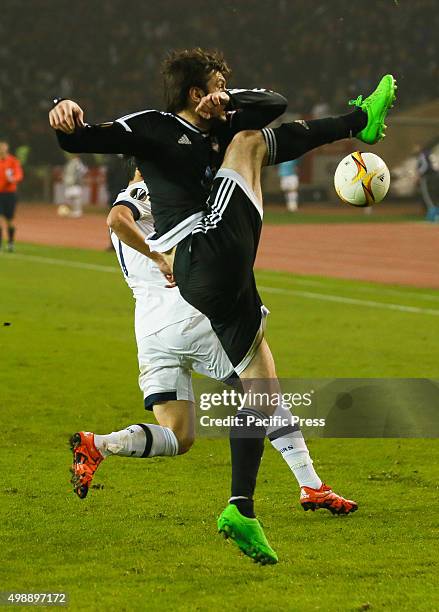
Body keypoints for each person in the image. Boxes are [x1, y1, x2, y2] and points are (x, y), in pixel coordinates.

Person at [49, 47, 396, 564]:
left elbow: (276, 107)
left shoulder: (218, 131)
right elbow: (84, 139)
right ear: (194, 90)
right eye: (216, 80)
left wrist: (226, 100)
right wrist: (65, 115)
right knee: (252, 142)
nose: (226, 85)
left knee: (261, 386)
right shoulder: (155, 128)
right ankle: (362, 121)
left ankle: (242, 507)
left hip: (209, 283)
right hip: (199, 249)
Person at [72, 160, 357, 525]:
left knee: (178, 436)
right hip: (189, 315)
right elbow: (116, 218)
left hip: (151, 331)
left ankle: (99, 445)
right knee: (263, 392)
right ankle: (311, 484)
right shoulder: (146, 190)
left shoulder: (152, 197)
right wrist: (161, 256)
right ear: (144, 166)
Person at [0, 139, 23, 252]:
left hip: (9, 194)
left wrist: (13, 179)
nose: (2, 148)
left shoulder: (13, 161)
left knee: (9, 220)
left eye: (3, 146)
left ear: (7, 147)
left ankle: (10, 242)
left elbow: (19, 174)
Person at [61, 153, 88, 218]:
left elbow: (83, 171)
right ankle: (70, 211)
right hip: (69, 183)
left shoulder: (77, 163)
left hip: (75, 183)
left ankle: (77, 212)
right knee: (69, 197)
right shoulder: (70, 163)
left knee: (76, 197)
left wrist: (79, 179)